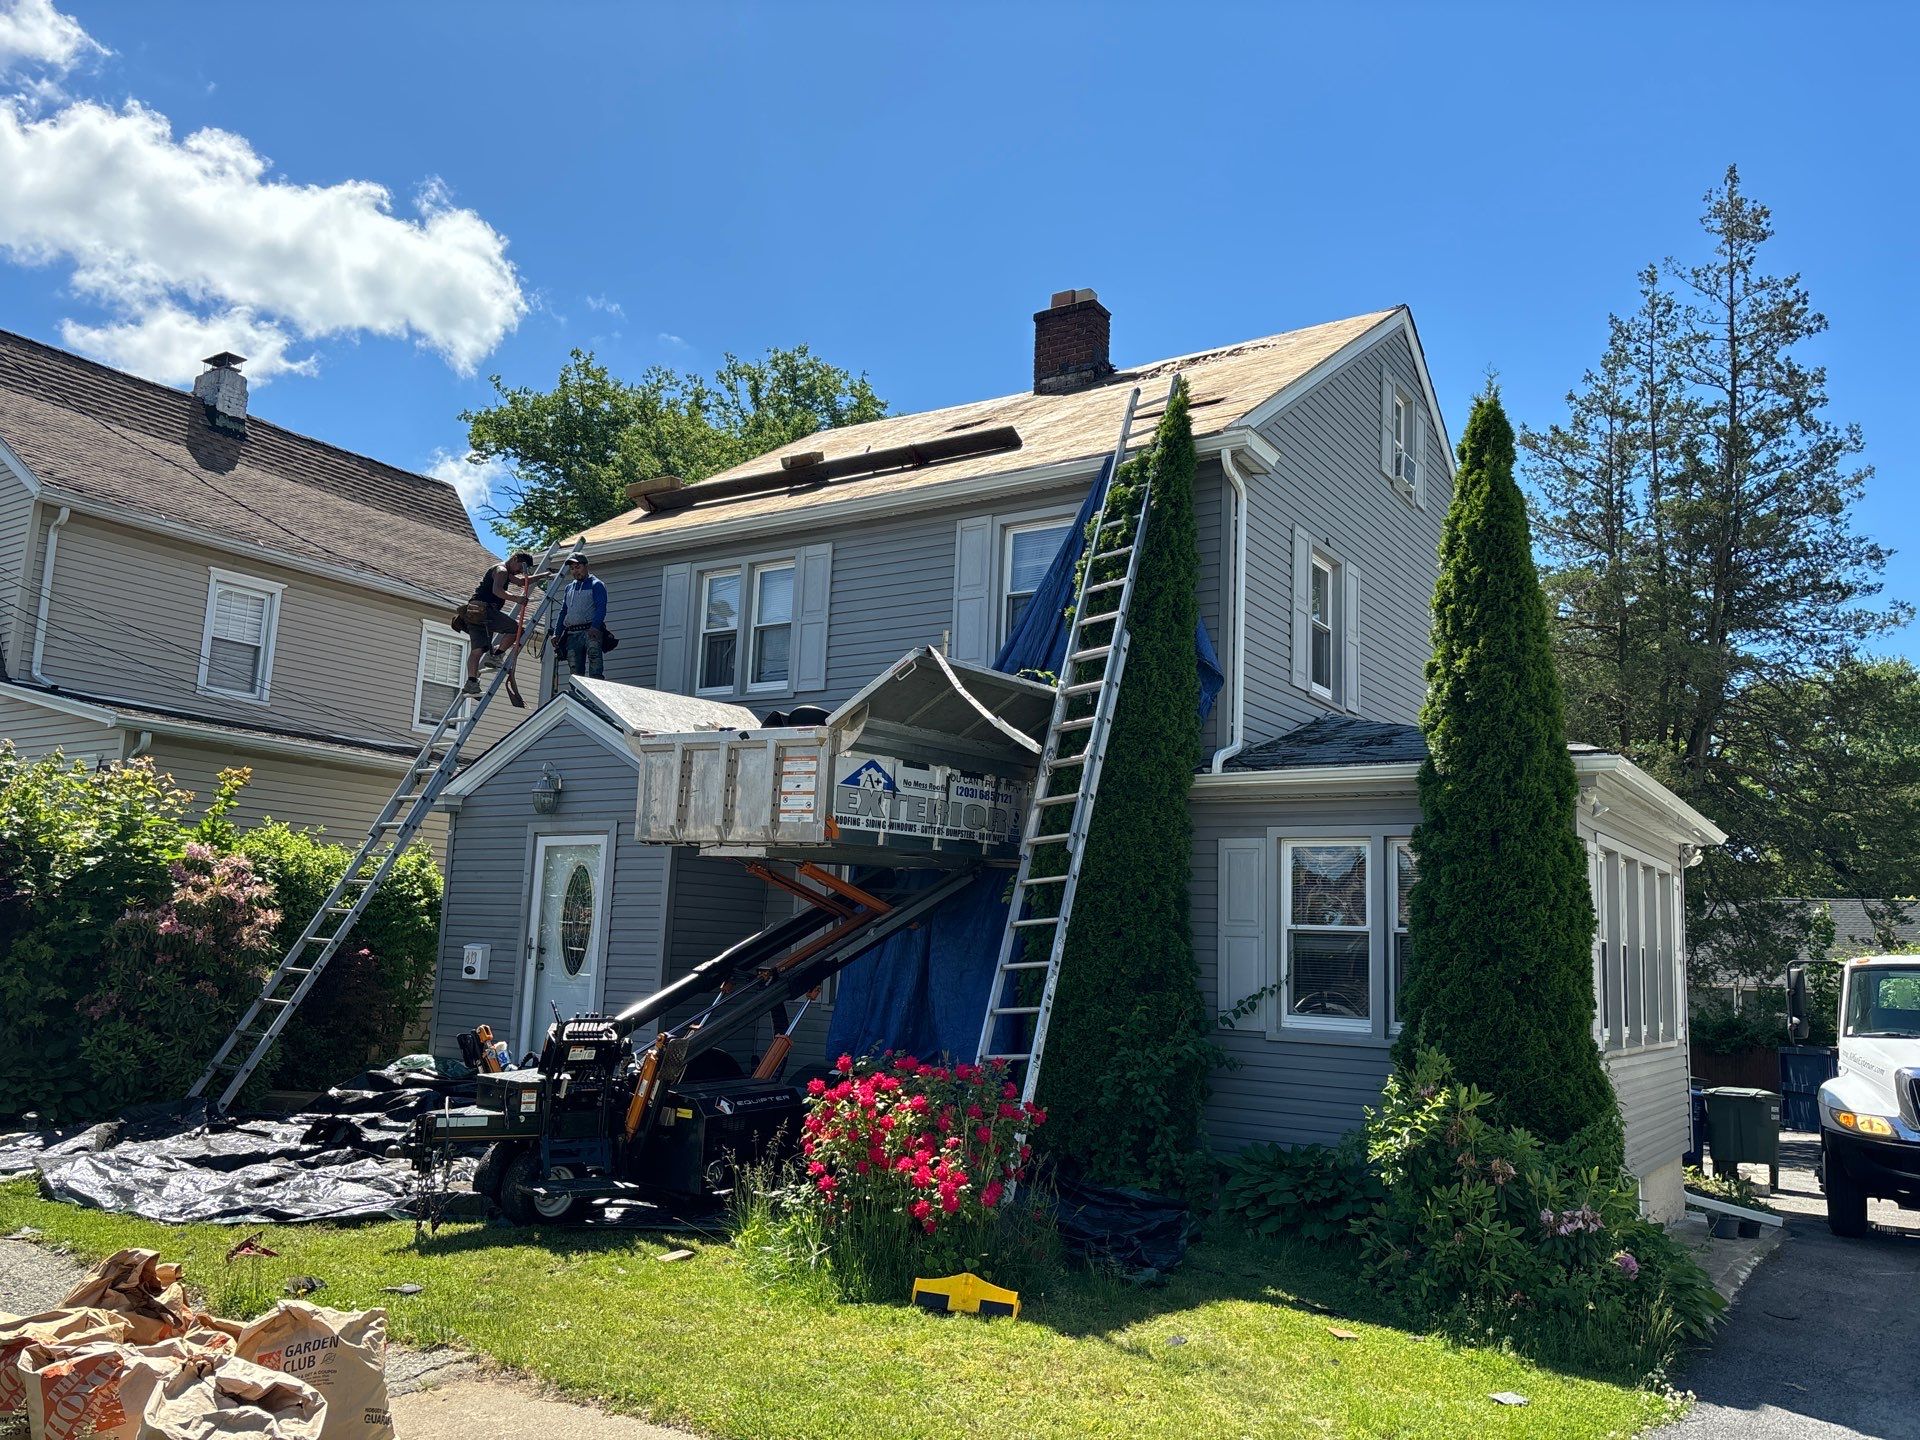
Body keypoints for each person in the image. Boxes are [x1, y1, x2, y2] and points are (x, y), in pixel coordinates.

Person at [463, 550, 535, 705]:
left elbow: (522, 583)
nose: (520, 572)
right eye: (520, 568)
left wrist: (544, 576)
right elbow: (497, 590)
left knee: (477, 650)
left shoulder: (501, 569)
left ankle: (471, 682)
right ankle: (496, 655)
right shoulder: (502, 571)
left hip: (472, 611)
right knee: (516, 630)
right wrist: (517, 599)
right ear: (515, 558)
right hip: (485, 610)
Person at [558, 551, 609, 680]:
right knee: (575, 671)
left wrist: (595, 626)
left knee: (595, 666)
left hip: (590, 632)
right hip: (572, 633)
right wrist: (557, 633)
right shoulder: (569, 588)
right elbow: (563, 611)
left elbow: (601, 607)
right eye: (572, 569)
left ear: (586, 566)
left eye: (578, 567)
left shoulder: (596, 584)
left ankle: (595, 697)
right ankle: (577, 697)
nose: (575, 571)